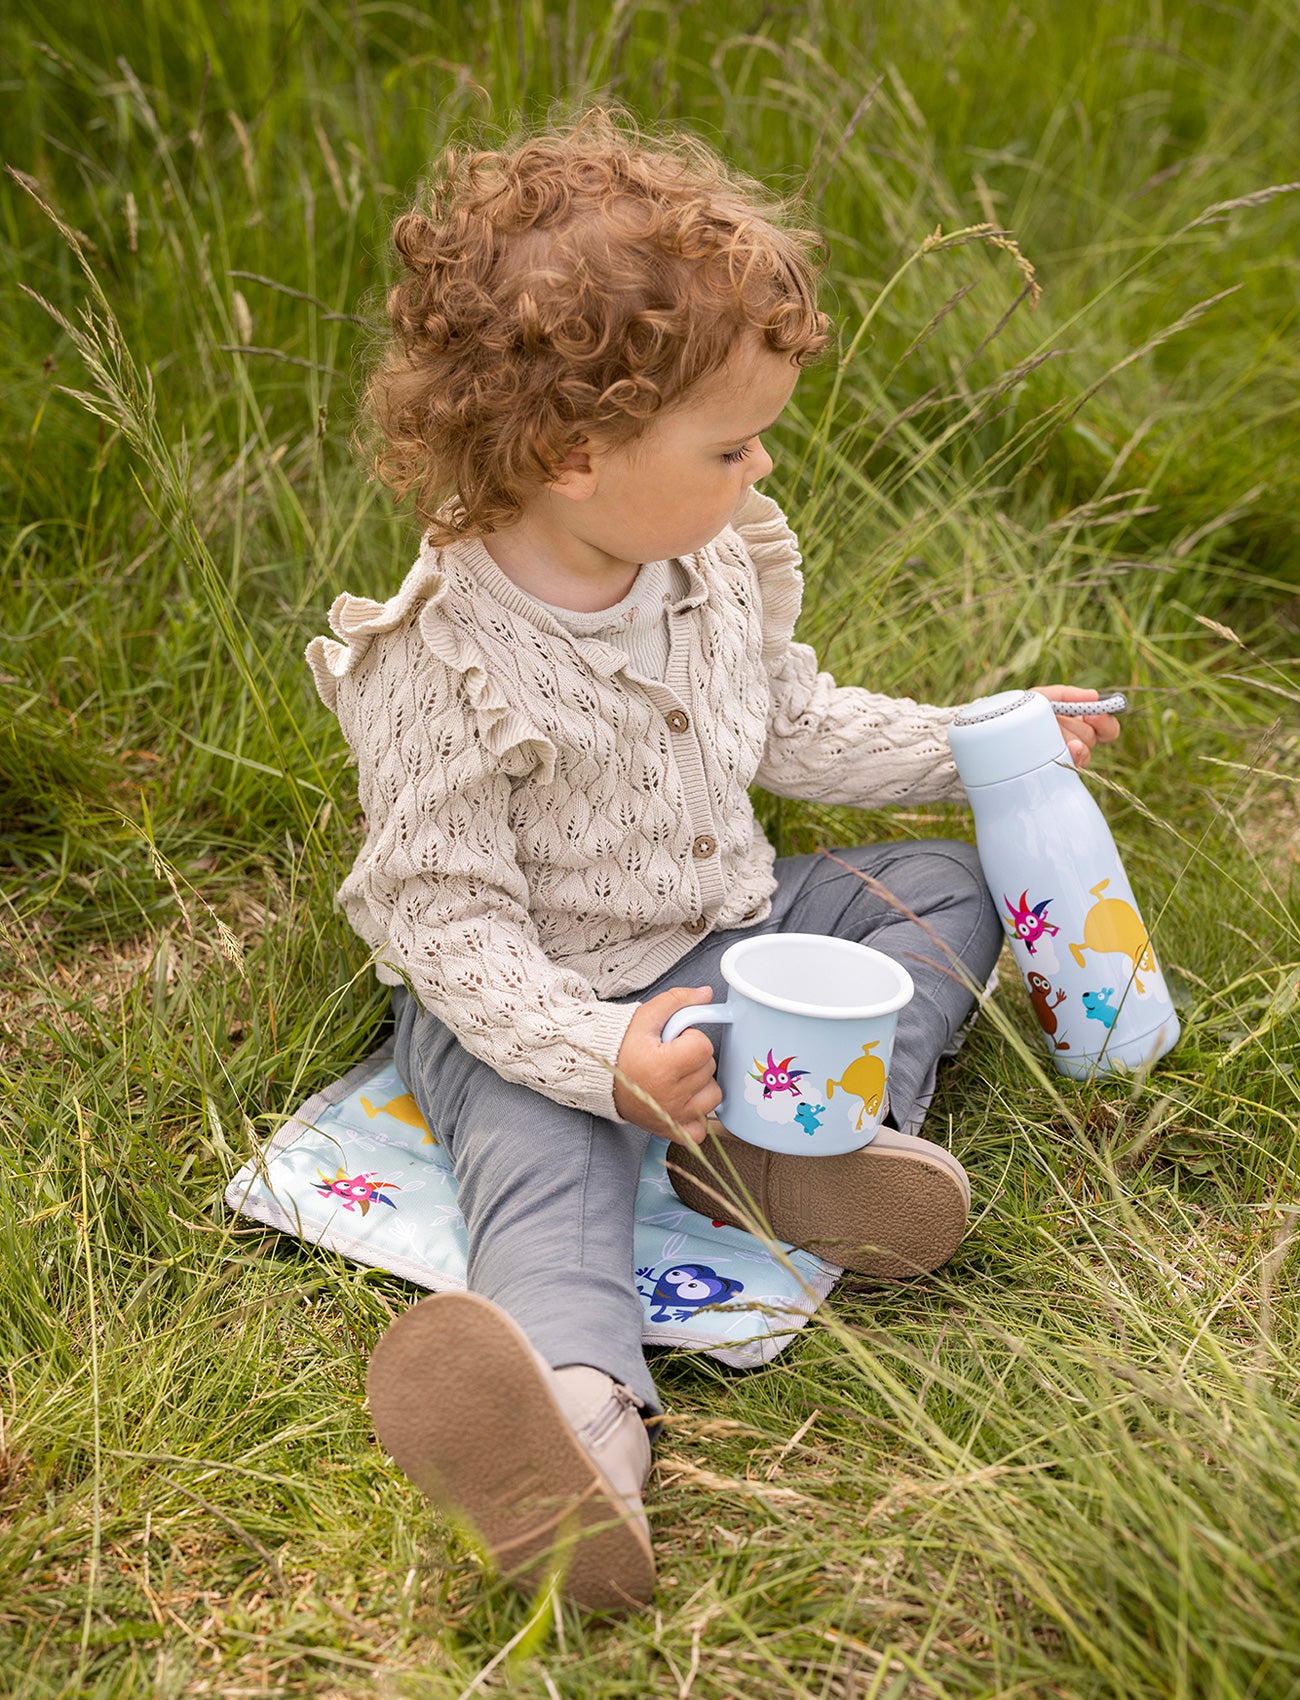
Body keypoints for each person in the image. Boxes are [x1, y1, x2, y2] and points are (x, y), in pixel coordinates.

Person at [306, 111, 1120, 1614]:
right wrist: (597, 1053)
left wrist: (981, 743)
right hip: (538, 998)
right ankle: (576, 1439)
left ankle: (790, 1151)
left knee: (938, 890)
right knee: (548, 1173)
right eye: (731, 446)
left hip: (723, 933)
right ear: (574, 456)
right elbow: (443, 916)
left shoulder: (709, 557)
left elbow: (789, 723)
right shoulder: (443, 664)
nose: (761, 466)